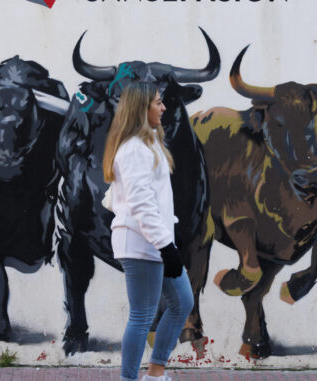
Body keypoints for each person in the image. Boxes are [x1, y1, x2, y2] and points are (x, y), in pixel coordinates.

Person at [102, 81, 194, 381]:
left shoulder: (148, 144)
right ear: (142, 108)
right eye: (157, 102)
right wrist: (167, 246)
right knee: (141, 316)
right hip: (140, 243)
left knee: (183, 303)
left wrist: (170, 237)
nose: (163, 107)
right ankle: (129, 379)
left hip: (153, 241)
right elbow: (141, 204)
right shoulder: (133, 150)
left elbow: (153, 200)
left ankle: (155, 373)